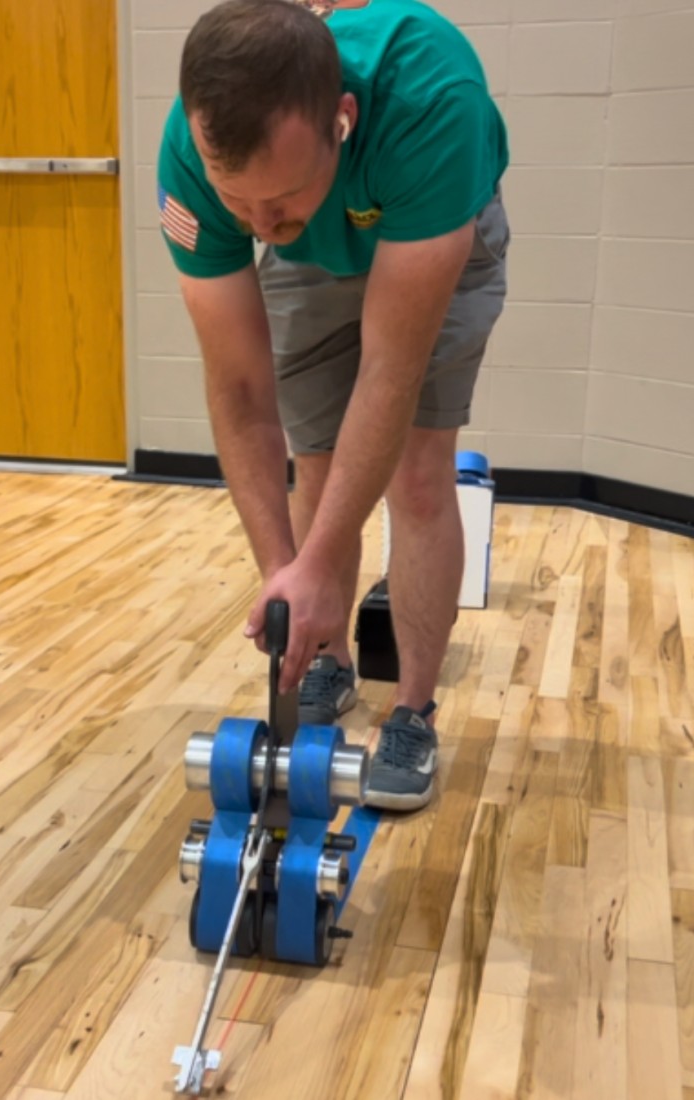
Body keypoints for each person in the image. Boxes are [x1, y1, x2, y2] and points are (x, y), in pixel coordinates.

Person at [157, 0, 509, 810]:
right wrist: (291, 578)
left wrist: (321, 562)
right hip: (329, 238)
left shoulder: (430, 95)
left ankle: (414, 709)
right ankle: (328, 662)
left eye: (275, 199)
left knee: (418, 476)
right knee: (315, 469)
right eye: (237, 204)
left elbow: (391, 368)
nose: (258, 227)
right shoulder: (192, 150)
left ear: (342, 121)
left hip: (429, 217)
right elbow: (241, 391)